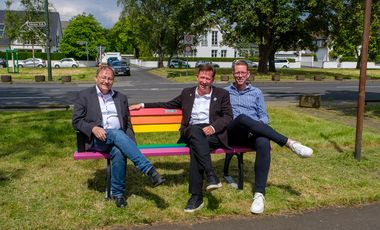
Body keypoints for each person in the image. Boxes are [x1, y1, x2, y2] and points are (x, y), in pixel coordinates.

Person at [129, 64, 232, 213]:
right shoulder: (187, 93)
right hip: (191, 131)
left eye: (207, 78)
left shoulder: (222, 94)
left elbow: (228, 116)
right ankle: (210, 176)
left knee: (197, 148)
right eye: (202, 77)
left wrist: (213, 128)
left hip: (211, 134)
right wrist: (143, 105)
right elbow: (167, 104)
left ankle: (197, 197)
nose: (204, 81)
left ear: (212, 80)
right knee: (196, 133)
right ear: (197, 77)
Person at [225, 60, 313, 214]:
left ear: (248, 74)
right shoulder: (225, 92)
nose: (240, 75)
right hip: (233, 133)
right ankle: (289, 143)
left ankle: (259, 194)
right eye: (237, 72)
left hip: (252, 133)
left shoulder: (256, 93)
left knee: (264, 142)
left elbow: (264, 117)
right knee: (242, 118)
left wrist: (256, 126)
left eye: (243, 73)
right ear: (233, 73)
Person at [72, 65, 165, 208]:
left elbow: (127, 124)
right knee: (116, 133)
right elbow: (76, 121)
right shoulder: (84, 95)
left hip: (118, 139)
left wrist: (130, 143)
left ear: (113, 81)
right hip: (97, 140)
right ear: (96, 78)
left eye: (110, 78)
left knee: (118, 150)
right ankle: (149, 170)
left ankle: (118, 194)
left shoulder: (120, 97)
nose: (106, 81)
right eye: (103, 77)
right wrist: (93, 128)